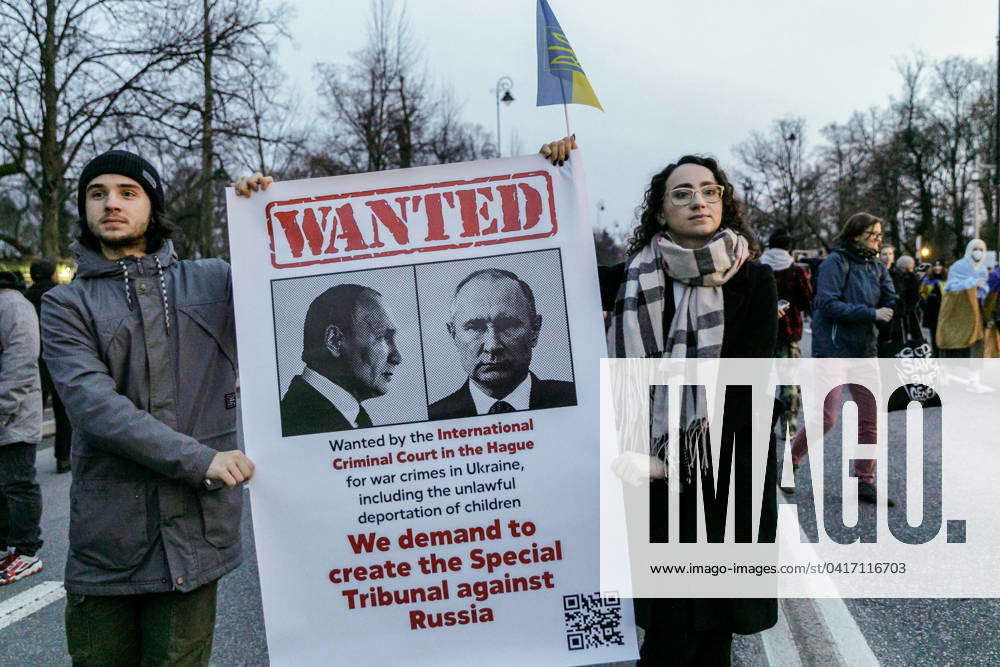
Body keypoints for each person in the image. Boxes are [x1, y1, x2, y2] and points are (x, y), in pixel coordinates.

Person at [541, 137, 778, 665]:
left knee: (714, 626)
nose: (700, 201)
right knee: (672, 626)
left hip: (726, 462)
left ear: (724, 202)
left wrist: (672, 460)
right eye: (683, 193)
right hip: (648, 472)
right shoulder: (632, 278)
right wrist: (555, 174)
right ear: (660, 211)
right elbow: (555, 261)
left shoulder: (754, 279)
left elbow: (747, 383)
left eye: (710, 191)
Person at [41, 150, 266, 664]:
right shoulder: (65, 305)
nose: (110, 204)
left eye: (127, 192)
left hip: (195, 534)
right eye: (97, 194)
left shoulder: (212, 281)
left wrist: (263, 212)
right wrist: (200, 461)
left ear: (153, 203)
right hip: (109, 542)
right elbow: (93, 407)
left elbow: (285, 289)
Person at [788, 212, 896, 505]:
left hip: (865, 350)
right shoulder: (836, 262)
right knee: (827, 417)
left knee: (871, 417)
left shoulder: (876, 265)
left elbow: (890, 297)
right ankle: (791, 458)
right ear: (856, 234)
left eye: (880, 235)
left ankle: (865, 480)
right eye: (873, 235)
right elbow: (827, 303)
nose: (878, 240)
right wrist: (870, 313)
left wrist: (891, 306)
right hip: (834, 349)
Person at [428, 268, 576, 419]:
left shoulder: (579, 399)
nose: (492, 346)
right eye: (475, 327)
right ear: (453, 335)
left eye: (508, 325)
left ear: (535, 330)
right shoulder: (433, 417)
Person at [280, 284, 402, 435]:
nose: (397, 357)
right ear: (334, 341)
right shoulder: (297, 426)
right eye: (382, 337)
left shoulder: (351, 417)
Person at [0, 270, 44, 585]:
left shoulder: (13, 305)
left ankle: (27, 552)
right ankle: (5, 548)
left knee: (18, 484)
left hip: (14, 417)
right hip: (8, 414)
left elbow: (21, 363)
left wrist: (1, 410)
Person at [760, 229, 812, 441]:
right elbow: (807, 299)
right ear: (790, 248)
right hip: (789, 333)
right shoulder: (796, 270)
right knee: (789, 383)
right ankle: (789, 428)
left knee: (759, 380)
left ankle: (758, 424)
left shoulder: (758, 267)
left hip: (761, 331)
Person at [24, 258, 72, 473]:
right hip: (59, 359)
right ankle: (63, 457)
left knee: (32, 412)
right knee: (63, 412)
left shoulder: (24, 298)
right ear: (53, 274)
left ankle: (27, 459)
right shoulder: (62, 295)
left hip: (32, 361)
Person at [938, 239, 991, 391]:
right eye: (975, 248)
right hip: (957, 312)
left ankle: (974, 380)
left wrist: (982, 288)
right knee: (953, 340)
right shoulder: (958, 266)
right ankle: (945, 372)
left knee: (976, 343)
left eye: (981, 249)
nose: (978, 252)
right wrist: (972, 283)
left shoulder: (983, 268)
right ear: (969, 250)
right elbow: (950, 287)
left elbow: (984, 289)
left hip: (975, 312)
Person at [920, 260, 947, 357]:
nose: (937, 268)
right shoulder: (927, 280)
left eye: (939, 266)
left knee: (944, 333)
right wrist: (924, 301)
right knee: (933, 333)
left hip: (944, 310)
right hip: (932, 311)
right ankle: (936, 354)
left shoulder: (947, 280)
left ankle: (944, 353)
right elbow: (922, 292)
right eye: (935, 266)